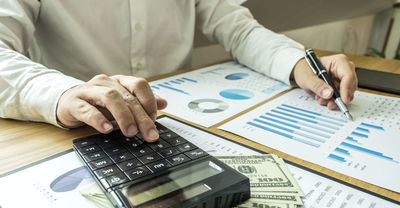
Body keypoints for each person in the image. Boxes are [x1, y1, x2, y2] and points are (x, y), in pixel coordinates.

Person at [0, 1, 357, 142]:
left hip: (183, 120)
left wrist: (298, 64)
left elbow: (239, 29)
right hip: (68, 133)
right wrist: (60, 93)